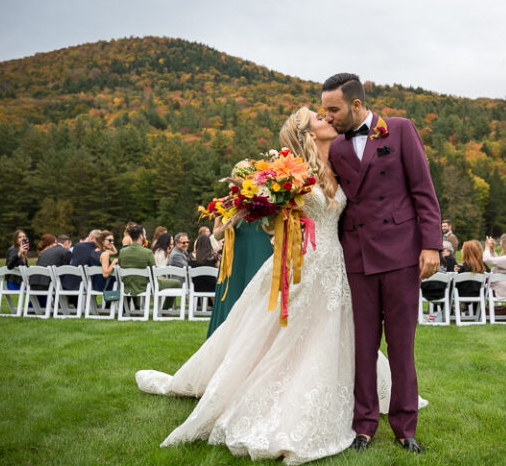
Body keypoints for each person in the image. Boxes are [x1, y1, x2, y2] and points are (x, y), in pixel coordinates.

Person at [137, 107, 370, 464]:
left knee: (325, 333)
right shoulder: (291, 173)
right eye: (319, 118)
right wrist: (255, 201)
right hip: (301, 264)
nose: (328, 119)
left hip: (334, 266)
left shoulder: (338, 166)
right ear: (307, 133)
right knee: (288, 336)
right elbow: (261, 203)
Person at [323, 73, 441, 454]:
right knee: (363, 346)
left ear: (356, 105)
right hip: (357, 257)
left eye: (334, 109)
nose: (328, 117)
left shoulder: (402, 131)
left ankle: (405, 428)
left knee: (402, 346)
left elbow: (423, 190)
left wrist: (432, 246)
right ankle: (364, 426)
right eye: (324, 110)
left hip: (402, 256)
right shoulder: (337, 149)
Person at [205, 194, 273, 337]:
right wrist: (232, 220)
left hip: (260, 251)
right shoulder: (227, 203)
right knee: (234, 295)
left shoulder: (266, 199)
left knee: (260, 295)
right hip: (235, 255)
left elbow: (272, 229)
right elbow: (216, 235)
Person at [118, 225, 180, 300]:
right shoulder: (147, 252)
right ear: (141, 236)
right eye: (145, 234)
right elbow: (155, 273)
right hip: (145, 286)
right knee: (177, 283)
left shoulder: (122, 252)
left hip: (127, 286)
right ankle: (165, 309)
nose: (145, 236)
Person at [29, 234, 72, 307]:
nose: (70, 247)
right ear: (67, 242)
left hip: (33, 283)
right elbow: (65, 271)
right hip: (48, 285)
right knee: (69, 283)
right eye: (70, 245)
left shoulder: (46, 251)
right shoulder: (66, 252)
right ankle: (63, 306)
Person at [482, 233, 506, 301]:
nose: (500, 243)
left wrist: (487, 247)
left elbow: (487, 260)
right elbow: (498, 262)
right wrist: (492, 250)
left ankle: (475, 311)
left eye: (501, 242)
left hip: (500, 290)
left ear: (505, 244)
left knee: (476, 291)